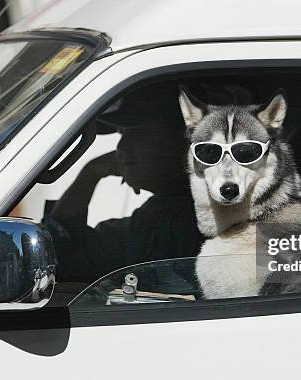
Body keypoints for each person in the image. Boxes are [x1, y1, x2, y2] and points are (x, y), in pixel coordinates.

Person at [42, 86, 205, 284]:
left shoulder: (207, 215)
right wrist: (91, 173)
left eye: (138, 133)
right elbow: (62, 260)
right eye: (121, 134)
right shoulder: (152, 218)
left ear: (182, 140)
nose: (122, 146)